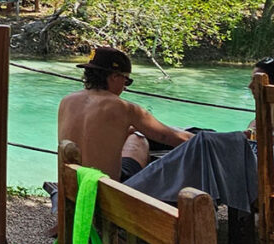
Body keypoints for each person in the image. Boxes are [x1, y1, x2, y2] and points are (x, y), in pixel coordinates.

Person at [58, 46, 192, 182]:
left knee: (131, 134)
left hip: (72, 181)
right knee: (138, 139)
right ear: (115, 76)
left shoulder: (66, 101)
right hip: (108, 188)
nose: (125, 87)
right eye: (126, 80)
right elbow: (169, 137)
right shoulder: (123, 108)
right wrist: (206, 140)